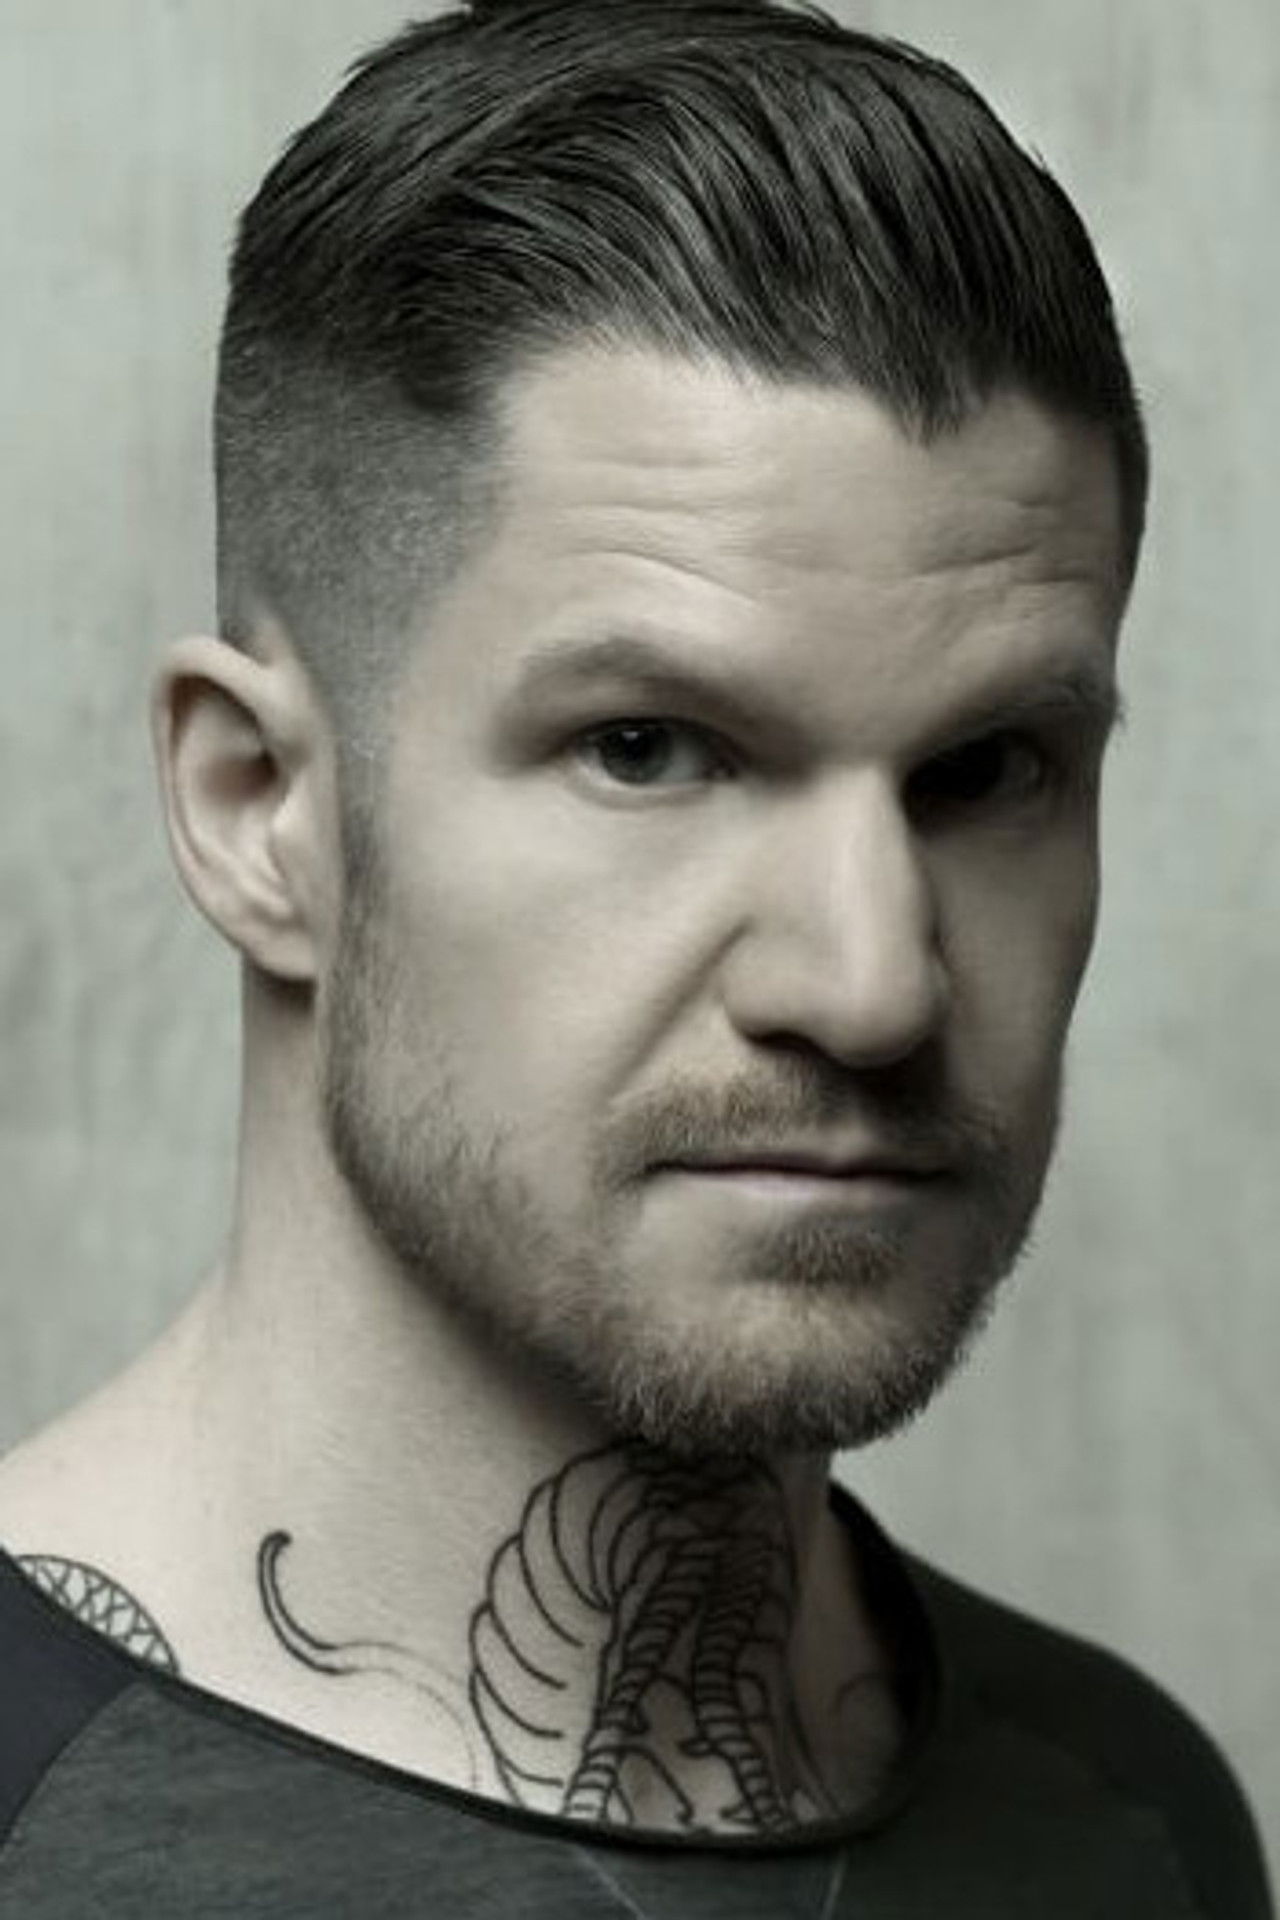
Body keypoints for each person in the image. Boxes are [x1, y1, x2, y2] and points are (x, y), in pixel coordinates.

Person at [0, 0, 1270, 1912]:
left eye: (987, 769)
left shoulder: (1132, 1826)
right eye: (650, 748)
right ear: (261, 806)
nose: (872, 985)